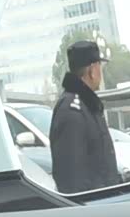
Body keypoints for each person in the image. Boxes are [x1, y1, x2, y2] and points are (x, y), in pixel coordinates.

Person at [47, 33, 123, 195]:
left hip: (104, 202)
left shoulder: (87, 105)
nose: (100, 73)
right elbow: (72, 179)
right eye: (99, 66)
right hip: (93, 206)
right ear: (92, 70)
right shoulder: (72, 110)